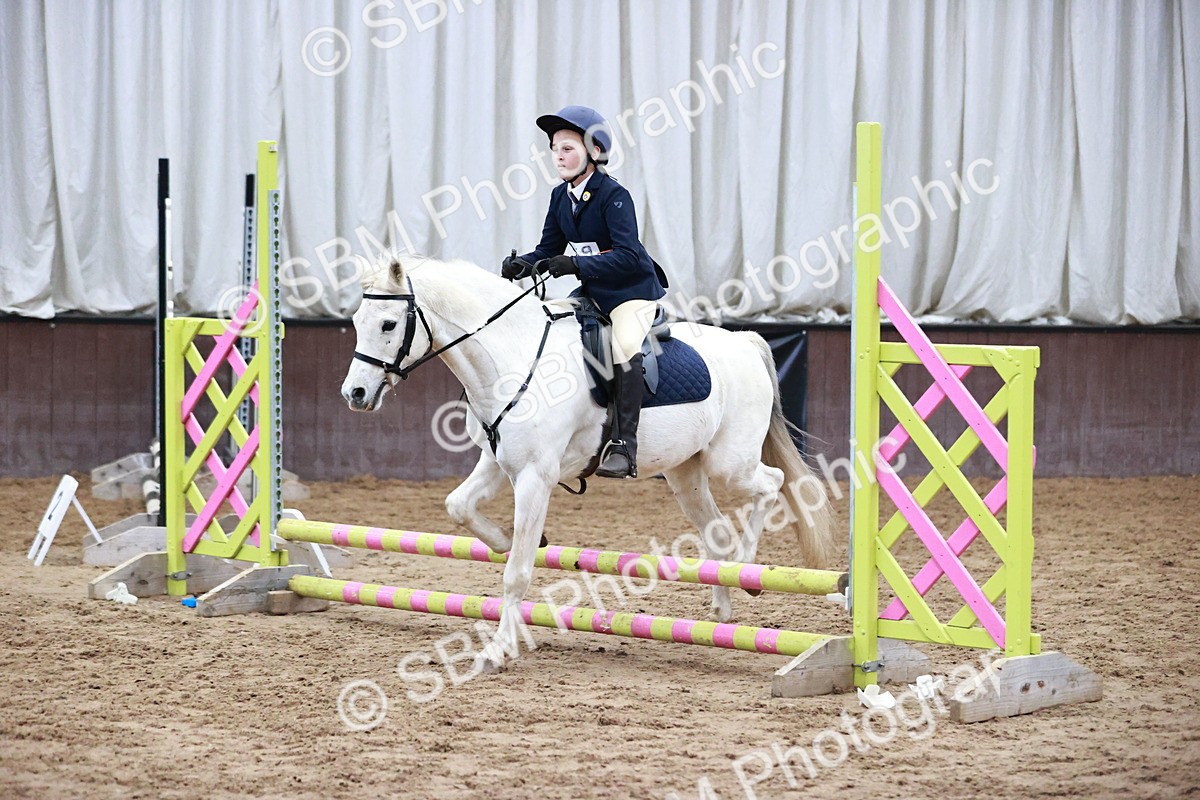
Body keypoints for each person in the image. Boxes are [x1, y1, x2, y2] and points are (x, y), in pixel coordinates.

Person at [503, 105, 666, 479]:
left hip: (632, 291)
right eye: (555, 150)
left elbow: (628, 256)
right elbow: (548, 250)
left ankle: (624, 446)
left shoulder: (615, 195)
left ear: (594, 152)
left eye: (568, 149)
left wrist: (576, 264)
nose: (558, 157)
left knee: (625, 346)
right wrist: (522, 265)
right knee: (544, 323)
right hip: (593, 292)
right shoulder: (560, 196)